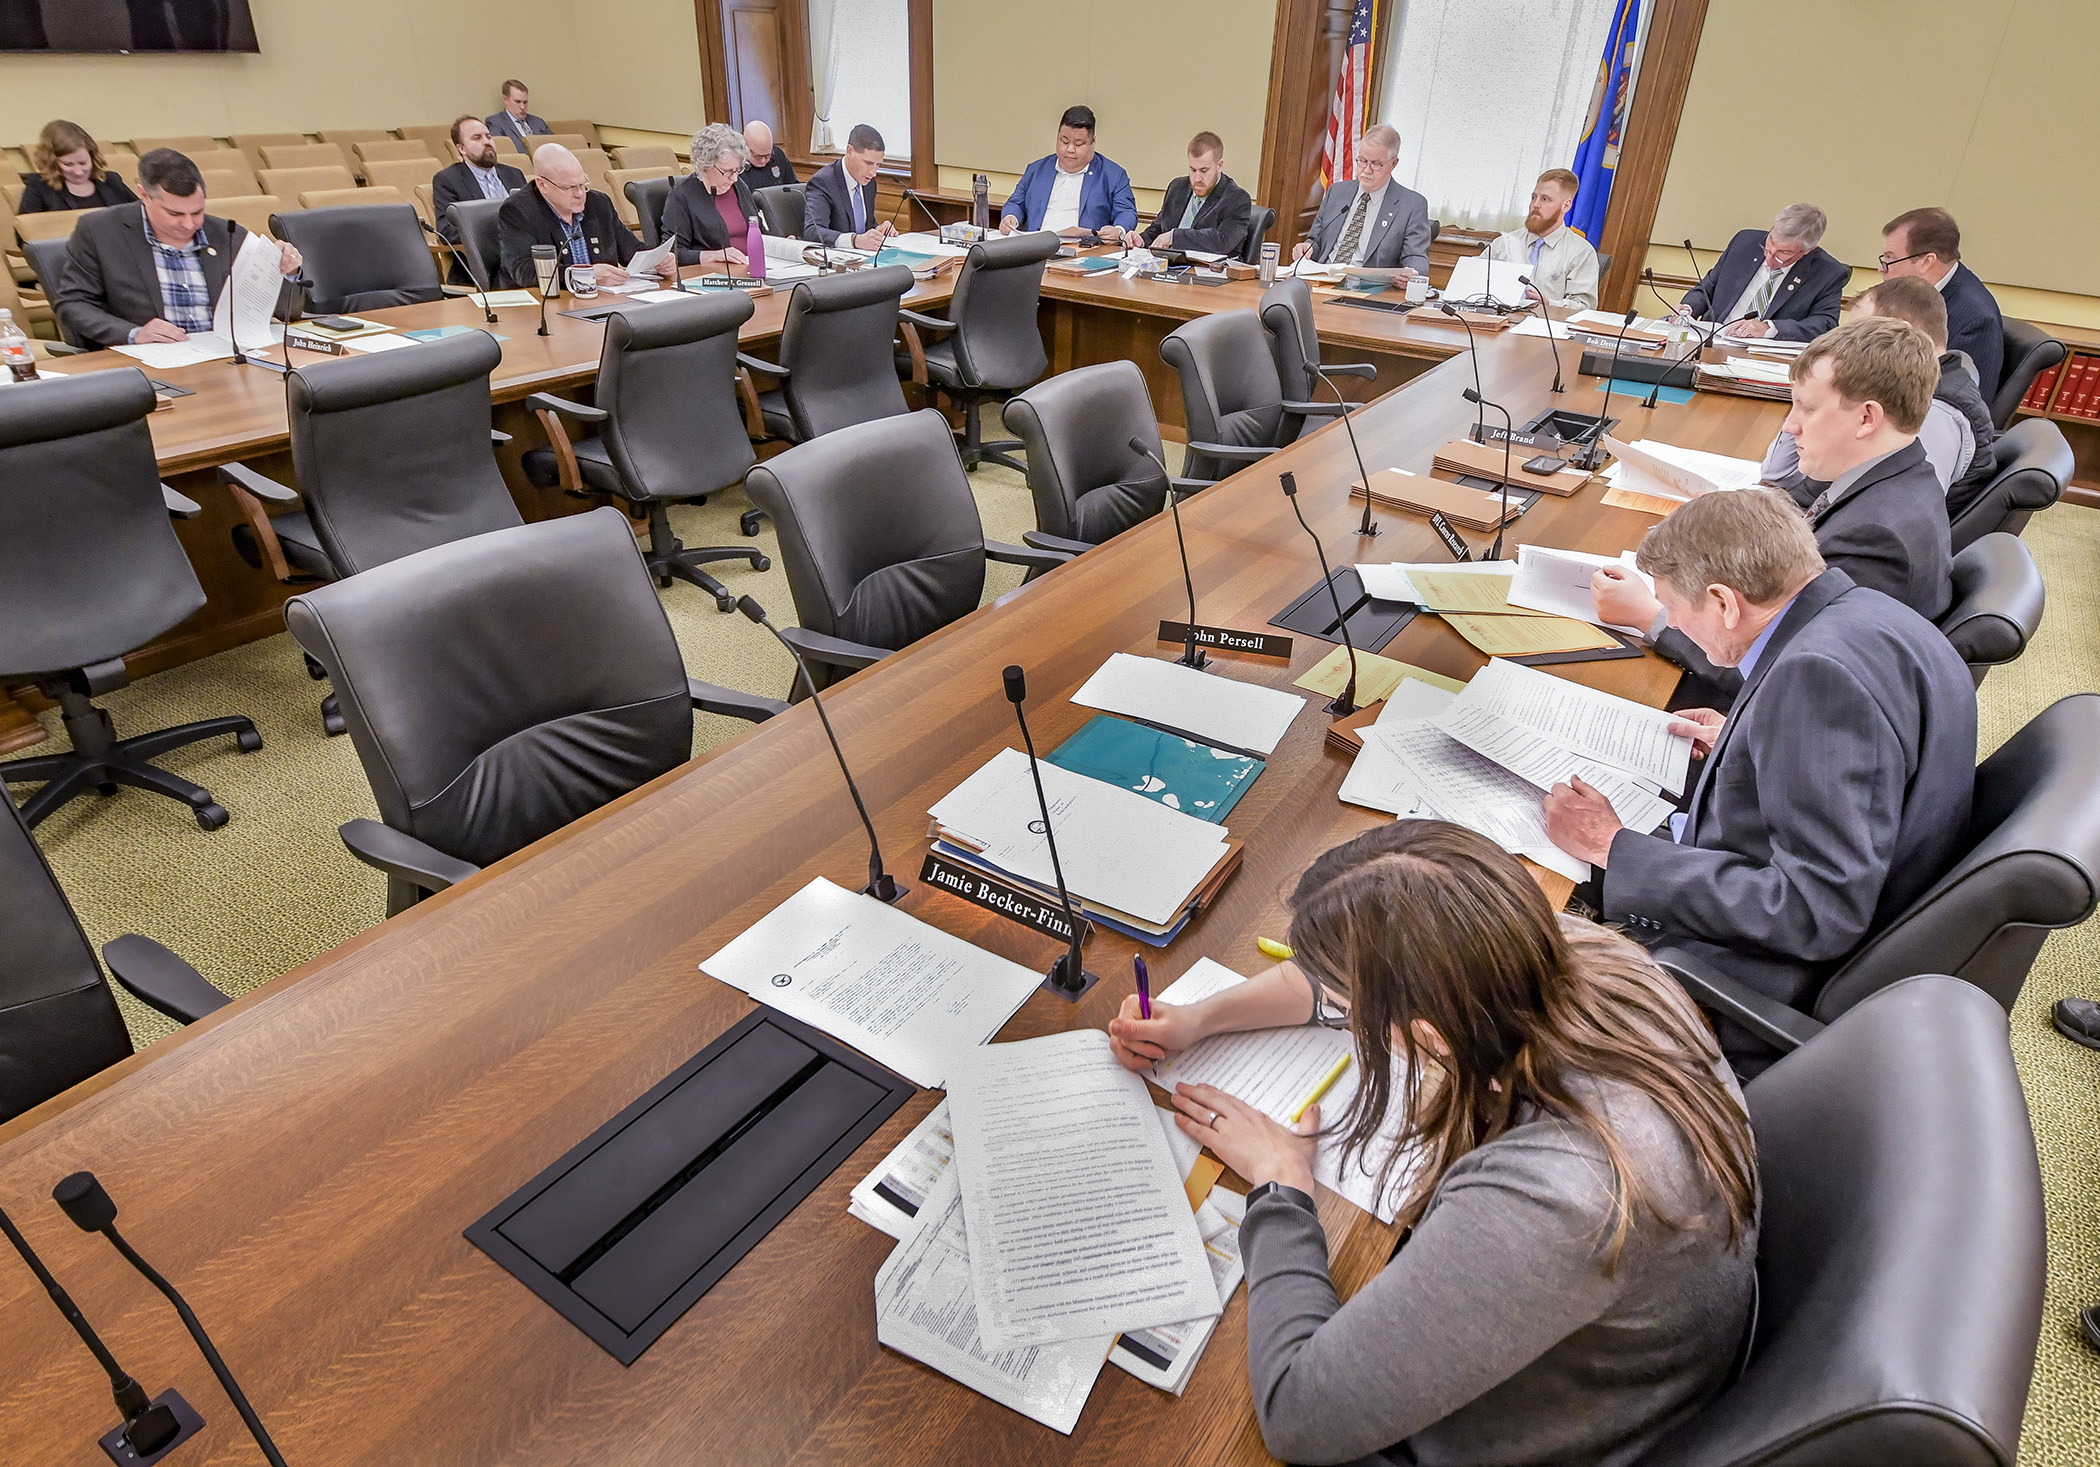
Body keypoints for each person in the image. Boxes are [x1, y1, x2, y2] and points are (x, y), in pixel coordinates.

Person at [1108, 820, 1759, 1466]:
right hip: (1619, 1363)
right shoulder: (1572, 953)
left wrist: (1281, 1183)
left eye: (1354, 1005)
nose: (1341, 1008)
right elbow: (1345, 981)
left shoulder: (1553, 1202)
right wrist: (1201, 1018)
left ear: (1430, 1034)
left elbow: (1295, 1413)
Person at [1547, 489, 1975, 1065]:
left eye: (1674, 609)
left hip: (1753, 976)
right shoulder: (1863, 614)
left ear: (1724, 602)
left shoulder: (1816, 678)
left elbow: (1815, 910)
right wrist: (1746, 740)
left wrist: (1611, 846)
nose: (1671, 623)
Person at [1593, 316, 1956, 701]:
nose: (1790, 426)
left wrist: (1651, 616)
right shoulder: (1897, 481)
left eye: (1807, 409)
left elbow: (1781, 674)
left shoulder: (1877, 539)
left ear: (1867, 418)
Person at [1763, 277, 1998, 512]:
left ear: (1900, 333)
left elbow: (1901, 510)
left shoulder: (1937, 411)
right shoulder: (1902, 388)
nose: (1845, 346)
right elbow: (1777, 478)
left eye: (1858, 333)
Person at [54, 148, 301, 349]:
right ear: (144, 195)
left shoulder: (228, 234)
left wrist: (287, 273)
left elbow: (287, 313)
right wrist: (134, 333)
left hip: (222, 354)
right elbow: (73, 304)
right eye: (174, 213)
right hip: (149, 358)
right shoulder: (100, 231)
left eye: (197, 212)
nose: (189, 224)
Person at [495, 144, 669, 290]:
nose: (580, 194)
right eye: (570, 188)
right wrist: (586, 274)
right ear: (543, 185)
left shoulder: (598, 203)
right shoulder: (518, 211)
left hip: (601, 300)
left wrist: (657, 260)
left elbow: (631, 250)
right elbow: (525, 272)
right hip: (543, 306)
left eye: (582, 184)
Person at [1880, 206, 2005, 398]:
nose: (1882, 269)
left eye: (1890, 259)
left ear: (1927, 261)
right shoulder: (1914, 294)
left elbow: (1962, 402)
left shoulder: (1976, 322)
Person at [1675, 203, 1845, 341]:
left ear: (1809, 249)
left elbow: (1825, 323)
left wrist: (1770, 328)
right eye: (1769, 245)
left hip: (1764, 355)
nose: (1770, 258)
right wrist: (1688, 308)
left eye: (1784, 253)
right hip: (1711, 339)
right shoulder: (1744, 242)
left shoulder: (1828, 273)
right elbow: (1708, 287)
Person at [1291, 123, 1431, 278]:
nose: (1366, 170)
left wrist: (1413, 275)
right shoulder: (1337, 192)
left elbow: (1415, 257)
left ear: (1393, 164)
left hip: (1368, 288)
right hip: (1322, 279)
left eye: (1376, 164)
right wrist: (1307, 247)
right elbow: (1316, 240)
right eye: (1362, 160)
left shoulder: (1412, 205)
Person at [998, 106, 1136, 241]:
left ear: (1093, 143)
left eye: (1078, 144)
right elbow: (1016, 203)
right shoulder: (1036, 170)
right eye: (1064, 141)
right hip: (1036, 248)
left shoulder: (1113, 175)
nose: (1070, 149)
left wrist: (1118, 230)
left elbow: (1127, 212)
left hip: (1084, 253)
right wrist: (1011, 217)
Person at [1485, 168, 1597, 309]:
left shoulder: (1581, 252)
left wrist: (1549, 304)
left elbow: (1584, 307)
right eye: (1533, 197)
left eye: (1545, 199)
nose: (1535, 205)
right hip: (1498, 323)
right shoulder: (1505, 243)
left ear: (1566, 205)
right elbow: (1473, 283)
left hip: (1548, 326)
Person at [1134, 131, 1251, 259]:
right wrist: (1141, 240)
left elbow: (1221, 242)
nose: (1197, 178)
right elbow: (1159, 228)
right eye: (1192, 170)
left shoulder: (1236, 199)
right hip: (1169, 267)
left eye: (1204, 171)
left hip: (1212, 272)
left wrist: (1175, 237)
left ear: (1219, 166)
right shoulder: (1177, 187)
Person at [661, 123, 758, 269]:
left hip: (753, 268)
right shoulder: (681, 196)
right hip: (715, 276)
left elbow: (758, 230)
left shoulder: (739, 186)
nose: (734, 178)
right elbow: (672, 253)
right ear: (705, 165)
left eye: (737, 170)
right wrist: (714, 255)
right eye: (727, 171)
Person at [430, 114, 525, 245]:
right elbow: (447, 232)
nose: (487, 142)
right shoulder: (448, 180)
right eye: (477, 138)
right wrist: (501, 233)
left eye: (488, 136)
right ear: (461, 149)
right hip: (484, 257)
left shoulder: (514, 174)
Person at [803, 124, 895, 250]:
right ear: (850, 151)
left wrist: (879, 230)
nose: (873, 173)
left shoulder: (869, 183)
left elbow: (864, 226)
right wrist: (854, 240)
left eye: (878, 165)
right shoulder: (823, 182)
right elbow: (812, 231)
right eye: (868, 163)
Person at [17, 120, 138, 214]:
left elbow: (141, 216)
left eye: (83, 163)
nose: (78, 172)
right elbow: (26, 238)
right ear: (52, 163)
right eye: (68, 164)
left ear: (92, 157)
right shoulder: (39, 186)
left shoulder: (111, 180)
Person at [486, 79, 550, 151]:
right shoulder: (495, 122)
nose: (522, 107)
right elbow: (502, 150)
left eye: (525, 102)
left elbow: (555, 144)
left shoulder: (538, 122)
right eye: (518, 102)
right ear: (505, 99)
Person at [742, 120, 796, 189]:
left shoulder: (777, 154)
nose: (763, 161)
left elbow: (793, 187)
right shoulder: (736, 164)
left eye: (768, 156)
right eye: (758, 157)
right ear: (745, 147)